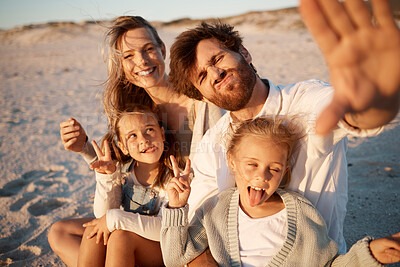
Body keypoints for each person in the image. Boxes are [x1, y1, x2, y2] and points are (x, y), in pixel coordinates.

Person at [167, 0, 400, 255]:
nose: (215, 73)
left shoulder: (304, 101)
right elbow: (200, 235)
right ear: (201, 96)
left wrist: (376, 100)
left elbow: (353, 115)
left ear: (244, 53)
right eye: (202, 76)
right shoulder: (213, 143)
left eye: (217, 58)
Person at [48, 16, 223, 267]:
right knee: (61, 232)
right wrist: (84, 147)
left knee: (117, 237)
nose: (141, 61)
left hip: (187, 223)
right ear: (121, 66)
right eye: (128, 56)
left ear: (162, 50)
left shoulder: (203, 103)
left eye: (148, 49)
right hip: (146, 217)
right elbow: (118, 166)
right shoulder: (138, 111)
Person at [161, 117, 400, 267]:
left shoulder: (303, 215)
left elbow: (329, 265)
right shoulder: (215, 209)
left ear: (284, 171)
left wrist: (370, 254)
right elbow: (175, 258)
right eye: (252, 164)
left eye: (273, 169)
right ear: (232, 161)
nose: (261, 176)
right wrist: (176, 206)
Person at [77, 104, 188, 266]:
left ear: (162, 134)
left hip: (160, 247)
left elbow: (165, 230)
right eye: (132, 136)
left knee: (119, 237)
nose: (144, 140)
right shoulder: (124, 171)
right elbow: (102, 214)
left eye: (149, 130)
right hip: (128, 241)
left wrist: (116, 218)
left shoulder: (173, 178)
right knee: (86, 232)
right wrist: (105, 177)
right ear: (123, 147)